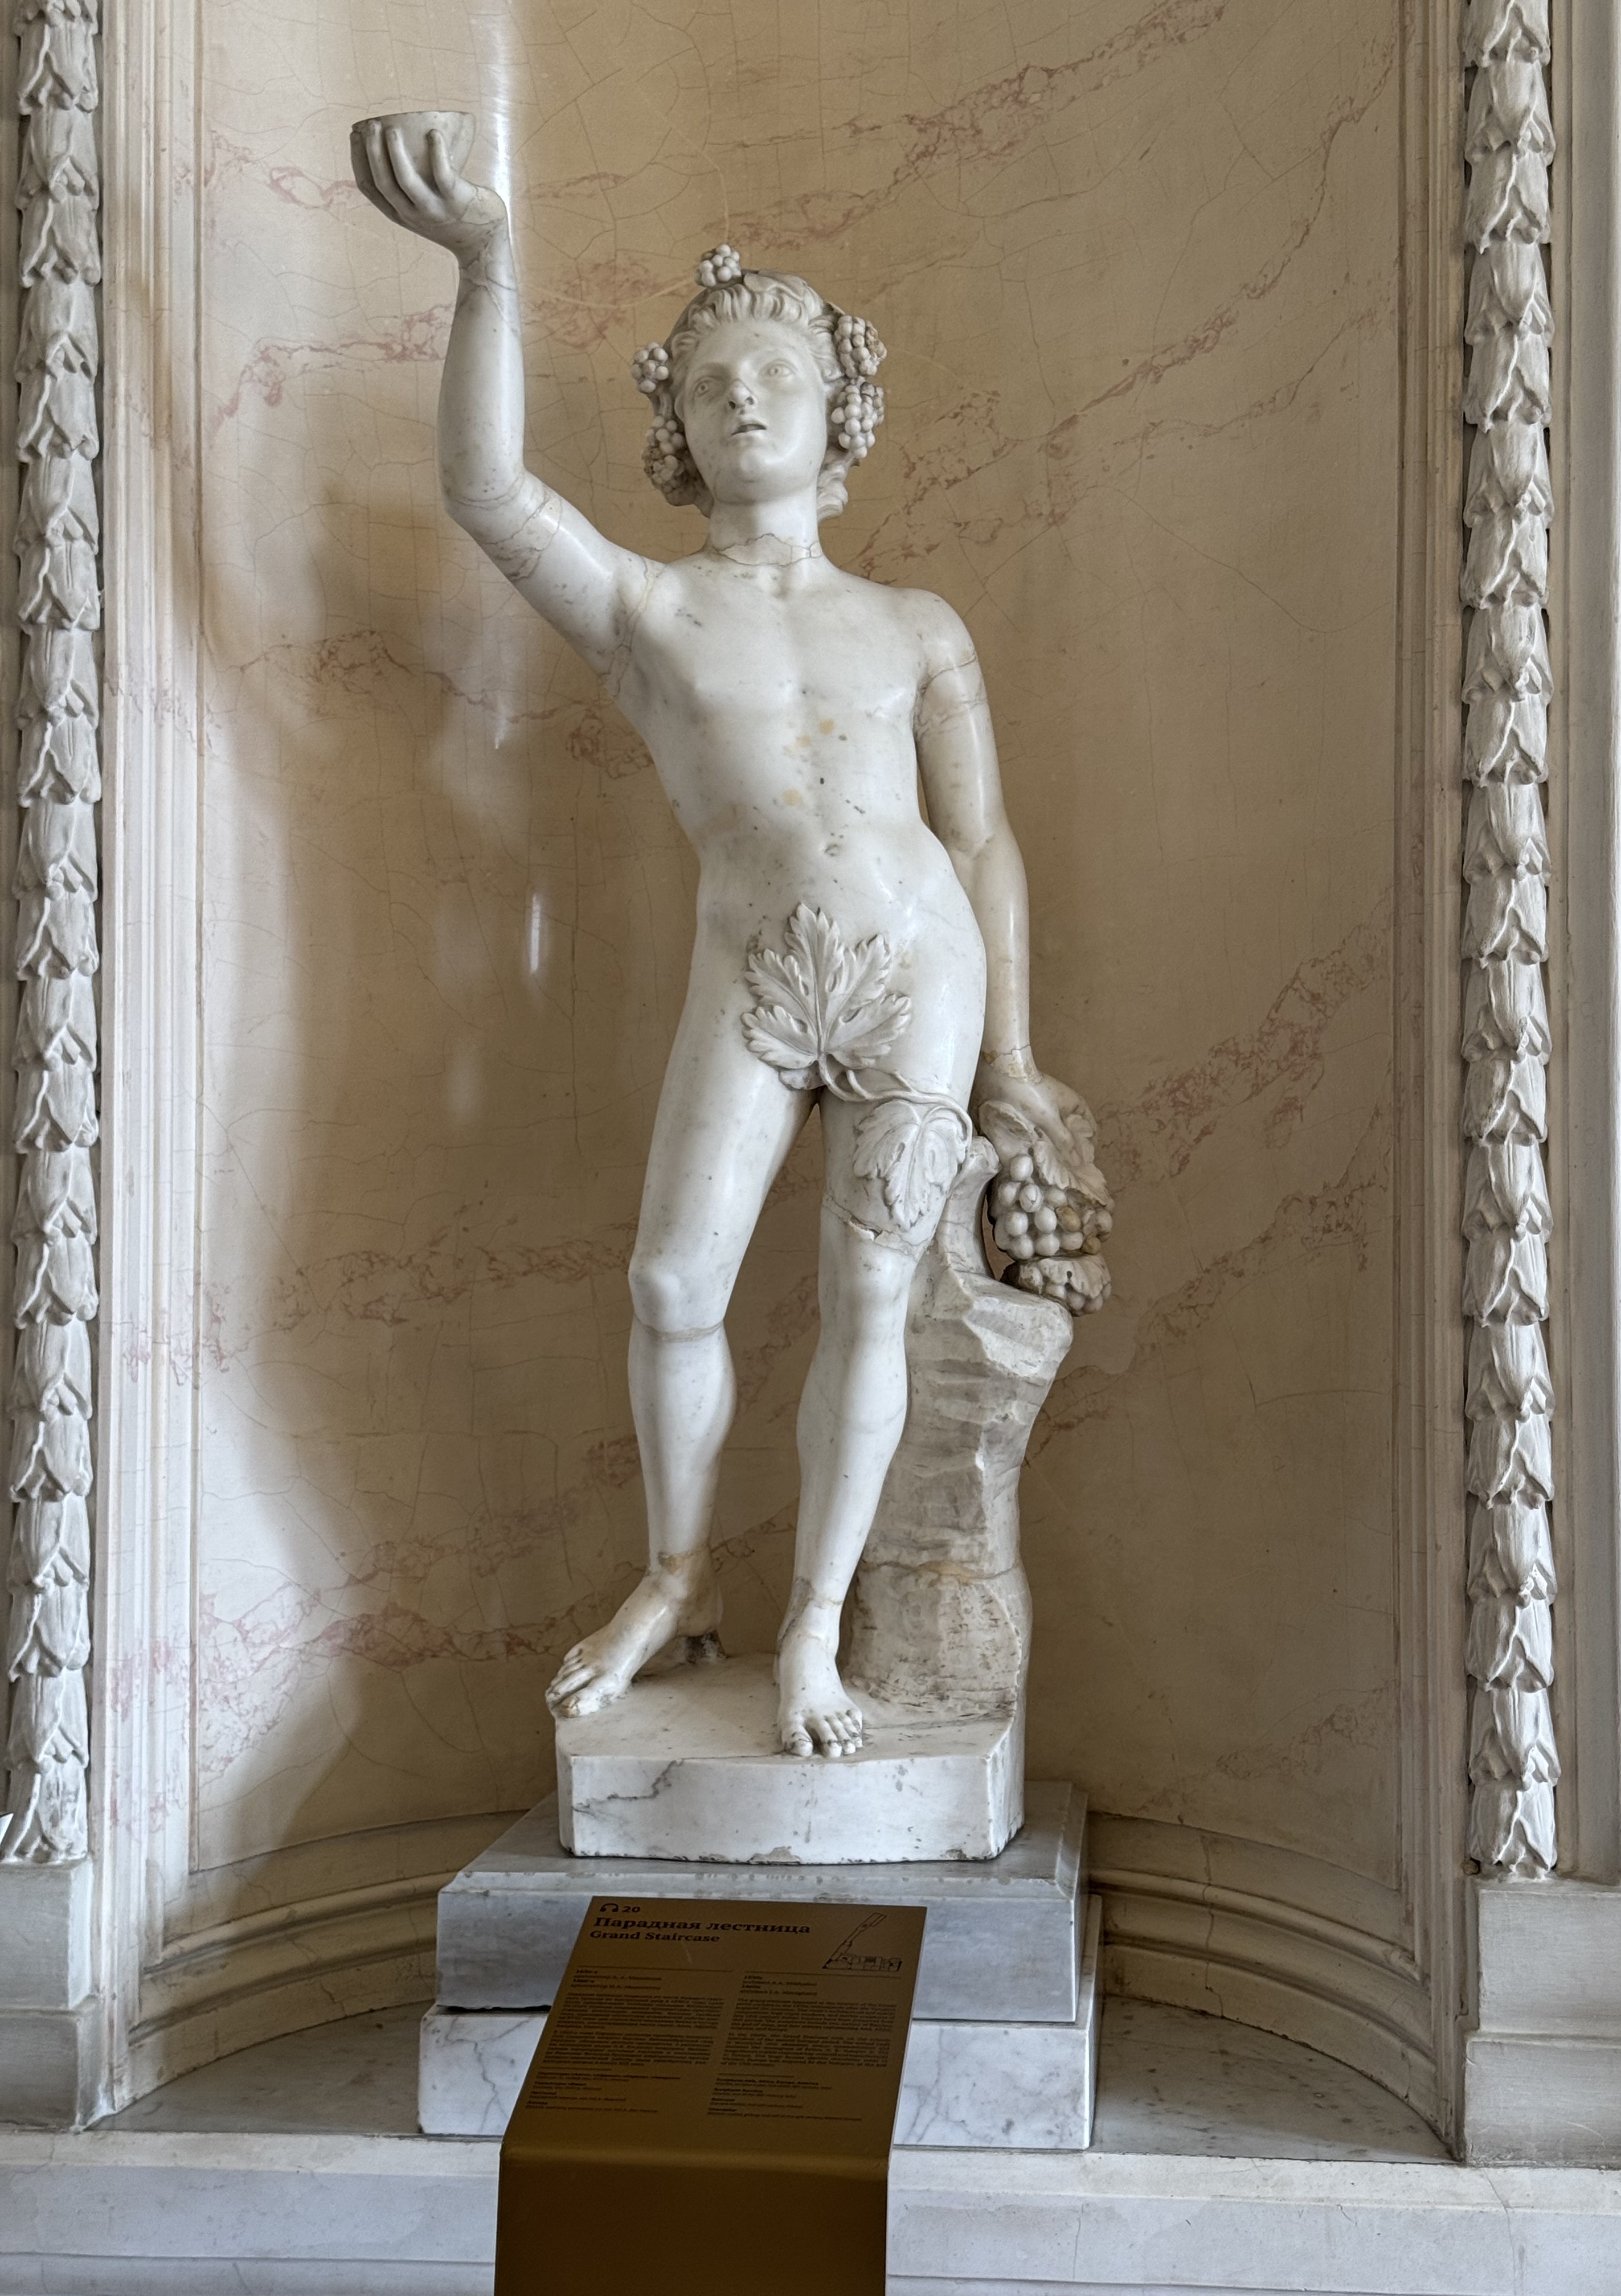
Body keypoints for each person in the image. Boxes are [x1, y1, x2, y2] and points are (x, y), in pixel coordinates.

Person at [354, 121, 1107, 1758]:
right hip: (757, 971)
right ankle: (678, 1576)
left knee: (871, 1297)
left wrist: (1013, 1055)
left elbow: (981, 839)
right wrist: (486, 265)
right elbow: (486, 492)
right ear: (678, 436)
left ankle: (813, 1633)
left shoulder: (916, 623)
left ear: (841, 413)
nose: (743, 397)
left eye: (776, 374)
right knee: (673, 1278)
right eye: (709, 385)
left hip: (919, 967)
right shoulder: (650, 610)